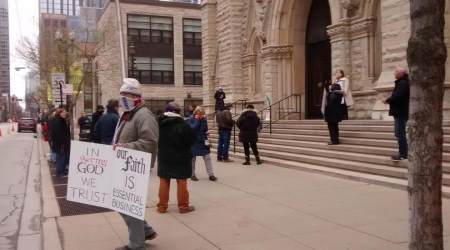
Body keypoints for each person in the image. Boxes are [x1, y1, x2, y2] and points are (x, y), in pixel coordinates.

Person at [113, 78, 159, 250]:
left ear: (134, 96)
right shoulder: (128, 114)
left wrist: (123, 147)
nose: (121, 98)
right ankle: (145, 231)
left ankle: (137, 245)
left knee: (128, 205)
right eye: (121, 95)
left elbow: (150, 142)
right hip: (124, 164)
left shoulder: (144, 115)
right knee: (121, 202)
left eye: (124, 95)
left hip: (135, 167)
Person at [157, 102, 196, 214]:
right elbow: (191, 140)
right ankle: (183, 207)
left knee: (164, 180)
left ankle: (162, 207)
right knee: (181, 181)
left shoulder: (159, 123)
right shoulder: (183, 124)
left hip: (164, 155)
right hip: (181, 156)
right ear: (178, 112)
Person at [384, 67, 410, 161]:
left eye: (396, 71)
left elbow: (398, 96)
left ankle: (403, 154)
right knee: (399, 133)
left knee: (399, 133)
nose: (394, 73)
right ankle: (404, 152)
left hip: (401, 112)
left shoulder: (403, 83)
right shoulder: (402, 82)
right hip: (400, 112)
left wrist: (388, 100)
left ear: (401, 73)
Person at [321, 69, 352, 145]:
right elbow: (328, 91)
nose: (336, 74)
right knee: (334, 125)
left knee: (333, 125)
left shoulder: (344, 80)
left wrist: (337, 91)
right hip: (334, 109)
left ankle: (334, 140)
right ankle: (335, 140)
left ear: (341, 73)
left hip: (336, 107)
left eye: (337, 72)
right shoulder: (334, 85)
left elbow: (344, 91)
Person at [188, 106, 218, 181]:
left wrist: (207, 133)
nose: (201, 115)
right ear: (196, 113)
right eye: (200, 114)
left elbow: (205, 129)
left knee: (207, 158)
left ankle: (211, 174)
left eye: (202, 114)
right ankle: (192, 174)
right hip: (194, 141)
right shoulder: (191, 119)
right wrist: (197, 120)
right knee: (192, 159)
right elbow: (192, 129)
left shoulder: (204, 120)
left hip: (203, 141)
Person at [52, 108, 71, 177]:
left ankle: (62, 171)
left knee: (64, 158)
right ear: (59, 113)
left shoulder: (62, 121)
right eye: (63, 112)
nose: (64, 113)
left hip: (64, 143)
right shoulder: (58, 121)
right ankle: (60, 173)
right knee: (61, 158)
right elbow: (58, 134)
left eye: (65, 112)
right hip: (60, 144)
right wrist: (62, 144)